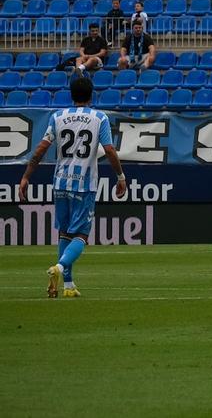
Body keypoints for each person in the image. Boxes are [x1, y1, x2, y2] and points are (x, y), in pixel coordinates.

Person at [15, 72, 127, 297]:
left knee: (65, 234)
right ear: (91, 95)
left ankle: (67, 285)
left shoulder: (58, 116)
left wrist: (26, 176)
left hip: (60, 184)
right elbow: (109, 150)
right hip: (84, 185)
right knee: (81, 236)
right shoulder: (99, 118)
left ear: (72, 95)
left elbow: (40, 149)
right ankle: (60, 267)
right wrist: (121, 177)